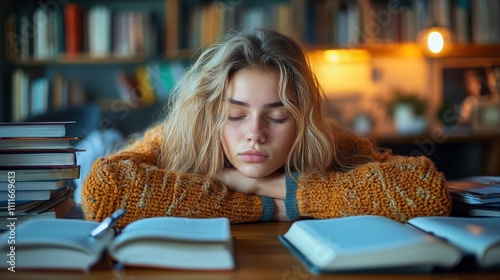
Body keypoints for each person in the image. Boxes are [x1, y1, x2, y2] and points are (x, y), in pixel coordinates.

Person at [81, 29, 451, 229]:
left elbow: (426, 191)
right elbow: (103, 192)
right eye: (236, 115)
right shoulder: (175, 137)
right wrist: (261, 207)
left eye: (277, 117)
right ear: (210, 116)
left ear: (302, 122)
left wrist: (280, 188)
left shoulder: (328, 138)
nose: (255, 133)